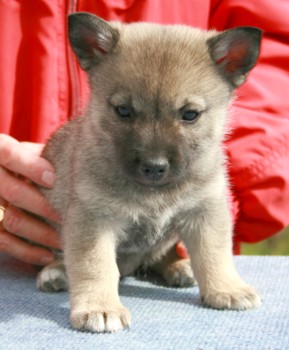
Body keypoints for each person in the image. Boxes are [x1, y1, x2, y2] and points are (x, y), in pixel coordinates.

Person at [0, 0, 288, 266]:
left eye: (188, 115)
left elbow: (278, 51)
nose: (154, 158)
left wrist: (219, 190)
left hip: (179, 231)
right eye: (124, 111)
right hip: (19, 250)